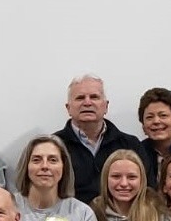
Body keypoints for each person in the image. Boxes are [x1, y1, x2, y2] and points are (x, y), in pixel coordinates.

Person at [53, 75, 146, 206]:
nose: (87, 102)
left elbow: (147, 190)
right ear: (68, 108)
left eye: (94, 97)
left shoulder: (130, 144)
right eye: (80, 98)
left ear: (106, 106)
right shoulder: (53, 146)